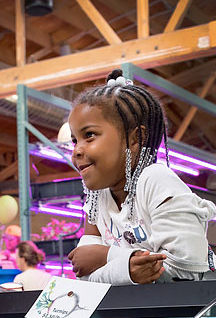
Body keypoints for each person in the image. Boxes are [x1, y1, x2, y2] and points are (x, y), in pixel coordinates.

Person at [67, 69, 216, 284]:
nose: (77, 151)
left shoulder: (155, 179)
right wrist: (127, 268)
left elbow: (188, 271)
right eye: (74, 140)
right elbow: (83, 269)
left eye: (89, 135)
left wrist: (107, 257)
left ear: (136, 137)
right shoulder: (97, 197)